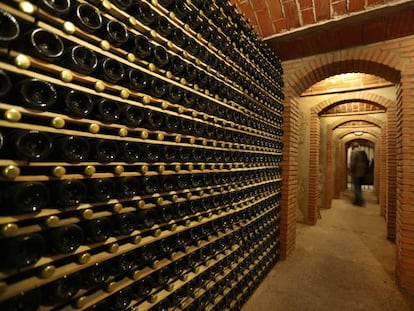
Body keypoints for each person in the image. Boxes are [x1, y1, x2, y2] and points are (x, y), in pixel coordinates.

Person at [349, 142, 369, 206]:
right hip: (363, 172)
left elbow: (353, 163)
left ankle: (360, 201)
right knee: (359, 186)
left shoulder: (354, 152)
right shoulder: (363, 152)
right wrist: (365, 170)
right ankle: (357, 200)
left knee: (356, 187)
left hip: (356, 172)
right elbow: (367, 161)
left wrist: (351, 170)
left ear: (353, 147)